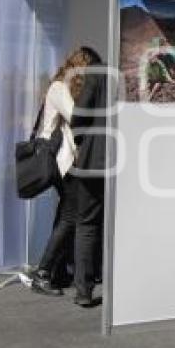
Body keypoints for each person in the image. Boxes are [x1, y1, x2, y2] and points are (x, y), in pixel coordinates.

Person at [30, 47, 106, 307]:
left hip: (73, 162)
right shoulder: (59, 88)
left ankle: (55, 271)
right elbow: (76, 117)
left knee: (68, 216)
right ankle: (43, 271)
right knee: (71, 217)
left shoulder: (64, 87)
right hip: (66, 162)